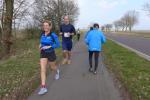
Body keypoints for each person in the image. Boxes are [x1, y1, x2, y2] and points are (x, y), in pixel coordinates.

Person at [38, 20, 60, 95]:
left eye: (47, 25)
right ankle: (43, 87)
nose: (45, 27)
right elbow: (42, 41)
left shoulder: (53, 35)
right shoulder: (42, 34)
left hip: (51, 53)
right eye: (44, 25)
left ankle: (57, 71)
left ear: (50, 26)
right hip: (43, 53)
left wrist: (50, 46)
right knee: (42, 69)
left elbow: (58, 45)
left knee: (52, 67)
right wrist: (40, 45)